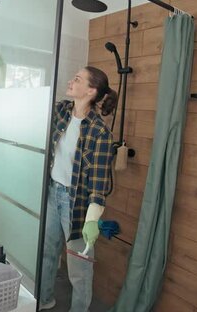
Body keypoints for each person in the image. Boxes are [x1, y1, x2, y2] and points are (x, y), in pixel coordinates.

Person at [40, 66, 118, 311]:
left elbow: (98, 182)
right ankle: (43, 301)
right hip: (53, 194)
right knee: (46, 255)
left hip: (76, 205)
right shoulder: (62, 111)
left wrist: (92, 219)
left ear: (91, 91)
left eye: (77, 79)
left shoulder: (100, 132)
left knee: (79, 270)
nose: (71, 81)